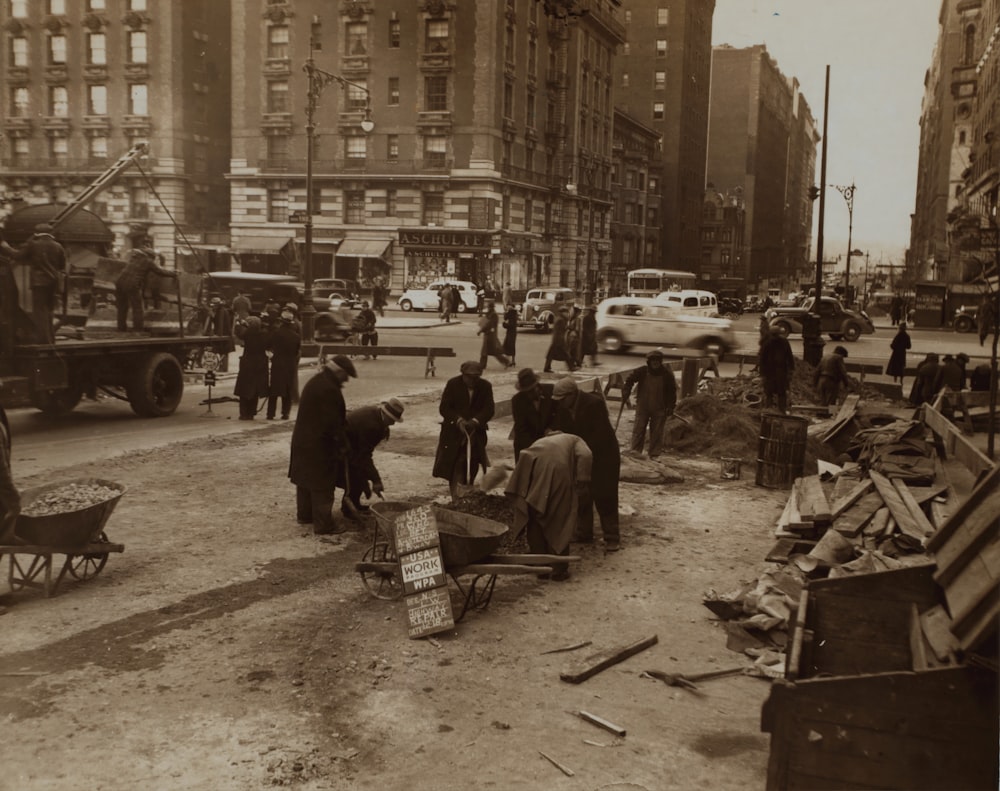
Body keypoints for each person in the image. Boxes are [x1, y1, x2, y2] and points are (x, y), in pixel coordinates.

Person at [505, 430, 592, 581]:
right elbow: (586, 455)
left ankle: (541, 567)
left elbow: (524, 456)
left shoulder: (541, 441)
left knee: (534, 516)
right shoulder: (576, 439)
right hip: (558, 471)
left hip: (531, 470)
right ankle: (558, 569)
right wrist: (583, 480)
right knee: (560, 519)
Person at [288, 355, 357, 535]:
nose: (347, 379)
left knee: (305, 479)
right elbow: (332, 424)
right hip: (319, 445)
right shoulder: (329, 389)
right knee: (322, 483)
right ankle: (324, 525)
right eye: (346, 375)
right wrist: (343, 445)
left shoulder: (318, 381)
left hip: (303, 441)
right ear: (339, 372)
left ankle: (305, 515)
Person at [551, 377, 622, 552]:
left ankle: (612, 537)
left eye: (563, 400)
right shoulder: (564, 407)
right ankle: (584, 532)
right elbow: (563, 426)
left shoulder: (594, 404)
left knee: (605, 495)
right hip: (582, 455)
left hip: (603, 456)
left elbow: (599, 435)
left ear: (572, 394)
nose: (560, 404)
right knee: (582, 493)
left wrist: (574, 442)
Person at [432, 360, 495, 500]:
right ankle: (456, 497)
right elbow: (444, 408)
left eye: (476, 377)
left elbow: (489, 409)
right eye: (469, 377)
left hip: (475, 434)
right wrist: (458, 420)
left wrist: (476, 421)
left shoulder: (485, 386)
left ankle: (466, 492)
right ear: (463, 374)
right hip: (453, 434)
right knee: (455, 464)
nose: (472, 380)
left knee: (472, 464)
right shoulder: (453, 384)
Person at [341, 398, 405, 520]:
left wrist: (373, 478)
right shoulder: (372, 426)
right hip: (341, 443)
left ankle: (354, 504)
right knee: (354, 474)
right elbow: (364, 456)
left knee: (361, 471)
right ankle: (348, 510)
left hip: (352, 443)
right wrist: (376, 480)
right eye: (392, 420)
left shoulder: (376, 414)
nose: (393, 423)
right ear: (386, 415)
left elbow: (364, 454)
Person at [14, 226, 66, 344]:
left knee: (39, 311)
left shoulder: (33, 244)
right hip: (53, 283)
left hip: (39, 282)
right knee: (49, 310)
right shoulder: (58, 246)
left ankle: (42, 339)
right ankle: (50, 339)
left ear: (37, 233)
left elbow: (17, 256)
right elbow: (62, 265)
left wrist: (3, 246)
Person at [622, 348, 678, 458]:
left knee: (657, 432)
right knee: (639, 429)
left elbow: (672, 392)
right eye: (653, 360)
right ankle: (635, 453)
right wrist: (626, 389)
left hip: (659, 408)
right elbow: (630, 379)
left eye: (657, 360)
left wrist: (671, 406)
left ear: (661, 361)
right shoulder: (642, 371)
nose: (655, 363)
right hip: (643, 407)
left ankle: (654, 454)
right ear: (649, 362)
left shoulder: (667, 375)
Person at [115, 245, 178, 332]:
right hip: (132, 284)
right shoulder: (148, 261)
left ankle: (121, 328)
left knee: (122, 307)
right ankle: (138, 330)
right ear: (150, 256)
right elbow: (160, 271)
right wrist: (174, 274)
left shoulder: (134, 258)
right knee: (137, 309)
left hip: (119, 282)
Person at [511, 367, 555, 461]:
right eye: (526, 392)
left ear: (537, 385)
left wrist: (551, 429)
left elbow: (559, 415)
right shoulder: (517, 400)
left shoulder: (551, 391)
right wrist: (536, 447)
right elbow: (521, 427)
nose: (529, 394)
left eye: (531, 390)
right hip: (527, 443)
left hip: (552, 441)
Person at [266, 310, 300, 421]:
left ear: (281, 321)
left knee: (274, 390)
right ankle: (285, 413)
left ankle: (270, 414)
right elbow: (296, 352)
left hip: (278, 363)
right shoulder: (296, 336)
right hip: (290, 364)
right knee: (287, 390)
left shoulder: (276, 333)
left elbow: (269, 345)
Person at [233, 315, 269, 420]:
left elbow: (239, 332)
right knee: (256, 389)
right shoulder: (263, 335)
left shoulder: (247, 334)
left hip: (247, 364)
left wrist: (239, 323)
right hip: (260, 364)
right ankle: (252, 412)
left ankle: (243, 413)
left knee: (244, 390)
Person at [758, 326, 795, 413]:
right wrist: (763, 374)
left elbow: (789, 357)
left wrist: (791, 371)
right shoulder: (768, 343)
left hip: (778, 372)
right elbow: (762, 360)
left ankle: (780, 411)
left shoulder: (775, 342)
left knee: (778, 393)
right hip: (772, 372)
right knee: (771, 393)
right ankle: (770, 411)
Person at [477, 300, 511, 369]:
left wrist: (481, 330)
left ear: (491, 307)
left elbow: (488, 324)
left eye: (488, 307)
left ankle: (506, 362)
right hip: (489, 334)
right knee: (490, 351)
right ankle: (482, 365)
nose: (487, 308)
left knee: (490, 351)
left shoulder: (493, 315)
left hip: (490, 335)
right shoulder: (490, 314)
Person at [543, 303, 577, 373]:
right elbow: (560, 331)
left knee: (551, 355)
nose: (567, 314)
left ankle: (547, 367)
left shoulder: (560, 319)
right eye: (566, 312)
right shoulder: (561, 320)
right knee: (566, 354)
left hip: (556, 340)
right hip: (559, 340)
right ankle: (571, 367)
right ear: (562, 313)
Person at [886, 321, 911, 385]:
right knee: (901, 366)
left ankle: (895, 380)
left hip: (896, 353)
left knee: (895, 367)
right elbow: (909, 346)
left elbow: (893, 345)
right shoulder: (907, 336)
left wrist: (893, 347)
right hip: (902, 353)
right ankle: (901, 380)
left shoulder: (898, 336)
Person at [501, 302, 519, 366]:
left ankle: (510, 361)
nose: (507, 307)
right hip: (511, 332)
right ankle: (511, 361)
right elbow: (505, 318)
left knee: (510, 346)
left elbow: (511, 324)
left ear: (511, 306)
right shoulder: (511, 313)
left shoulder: (512, 313)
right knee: (509, 346)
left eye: (508, 306)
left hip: (512, 332)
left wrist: (504, 325)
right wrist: (506, 312)